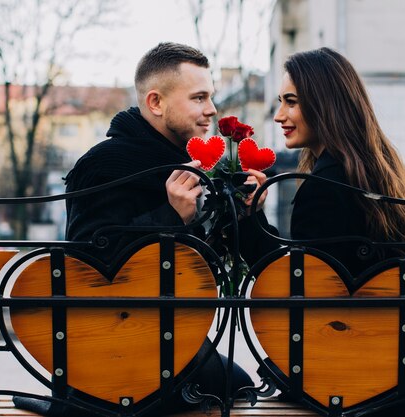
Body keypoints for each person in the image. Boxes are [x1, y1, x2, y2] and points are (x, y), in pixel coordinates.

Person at [14, 42, 252, 417]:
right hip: (118, 340)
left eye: (211, 97)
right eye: (199, 97)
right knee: (233, 388)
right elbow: (89, 261)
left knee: (240, 385)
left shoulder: (184, 165)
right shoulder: (106, 164)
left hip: (170, 333)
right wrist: (171, 217)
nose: (212, 110)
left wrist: (245, 211)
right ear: (156, 103)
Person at [245, 47, 405, 416]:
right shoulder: (377, 168)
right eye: (280, 102)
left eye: (291, 102)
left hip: (384, 381)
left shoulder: (326, 187)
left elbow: (293, 292)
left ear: (325, 104)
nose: (279, 115)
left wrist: (247, 220)